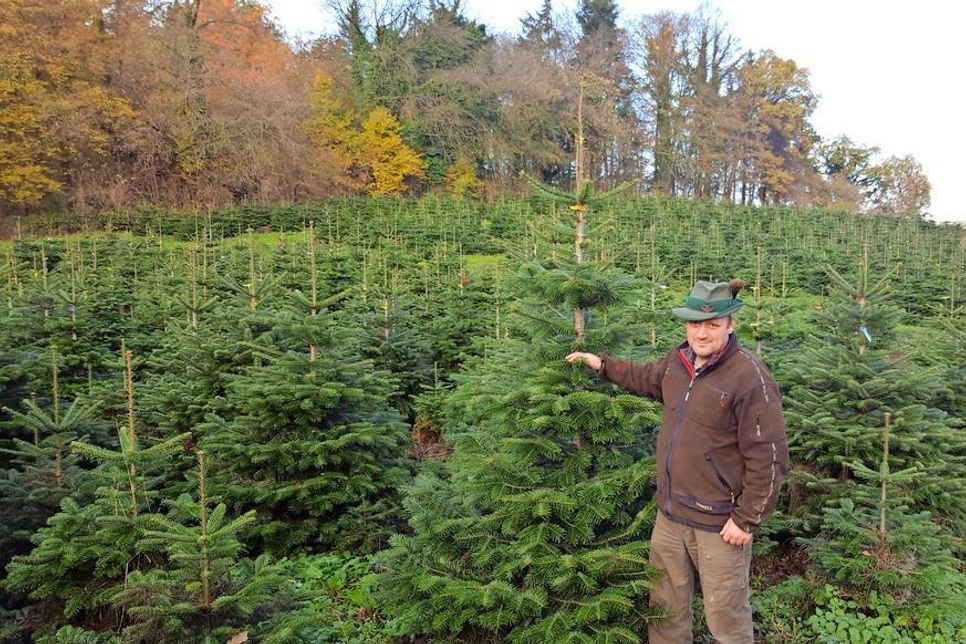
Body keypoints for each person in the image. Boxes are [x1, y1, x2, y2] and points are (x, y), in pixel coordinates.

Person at [566, 279, 788, 643]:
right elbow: (647, 377)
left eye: (712, 325)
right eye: (695, 324)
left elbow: (770, 457)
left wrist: (746, 520)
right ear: (686, 324)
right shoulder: (678, 361)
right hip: (670, 517)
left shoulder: (750, 379)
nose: (702, 333)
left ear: (730, 325)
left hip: (719, 523)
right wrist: (602, 364)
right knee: (666, 611)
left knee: (726, 618)